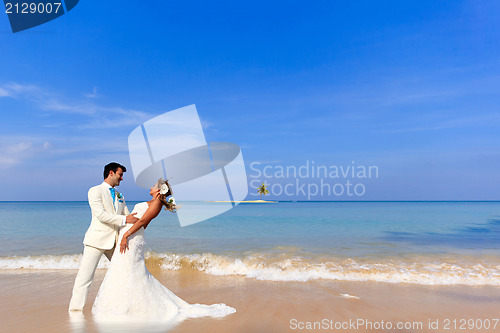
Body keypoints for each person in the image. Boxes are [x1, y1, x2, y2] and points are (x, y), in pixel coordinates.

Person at [92, 178, 236, 321]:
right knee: (123, 269)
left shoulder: (157, 203)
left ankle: (131, 306)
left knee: (129, 270)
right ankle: (122, 303)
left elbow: (143, 222)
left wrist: (126, 235)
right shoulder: (153, 202)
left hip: (131, 239)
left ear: (159, 191)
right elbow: (143, 222)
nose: (150, 186)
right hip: (130, 237)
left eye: (154, 186)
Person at [69, 162, 140, 311]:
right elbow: (101, 215)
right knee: (85, 277)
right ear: (111, 173)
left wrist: (145, 216)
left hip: (115, 242)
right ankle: (75, 310)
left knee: (125, 271)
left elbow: (128, 216)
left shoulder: (121, 196)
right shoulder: (95, 191)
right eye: (120, 175)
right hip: (95, 241)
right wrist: (125, 220)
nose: (122, 179)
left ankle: (124, 305)